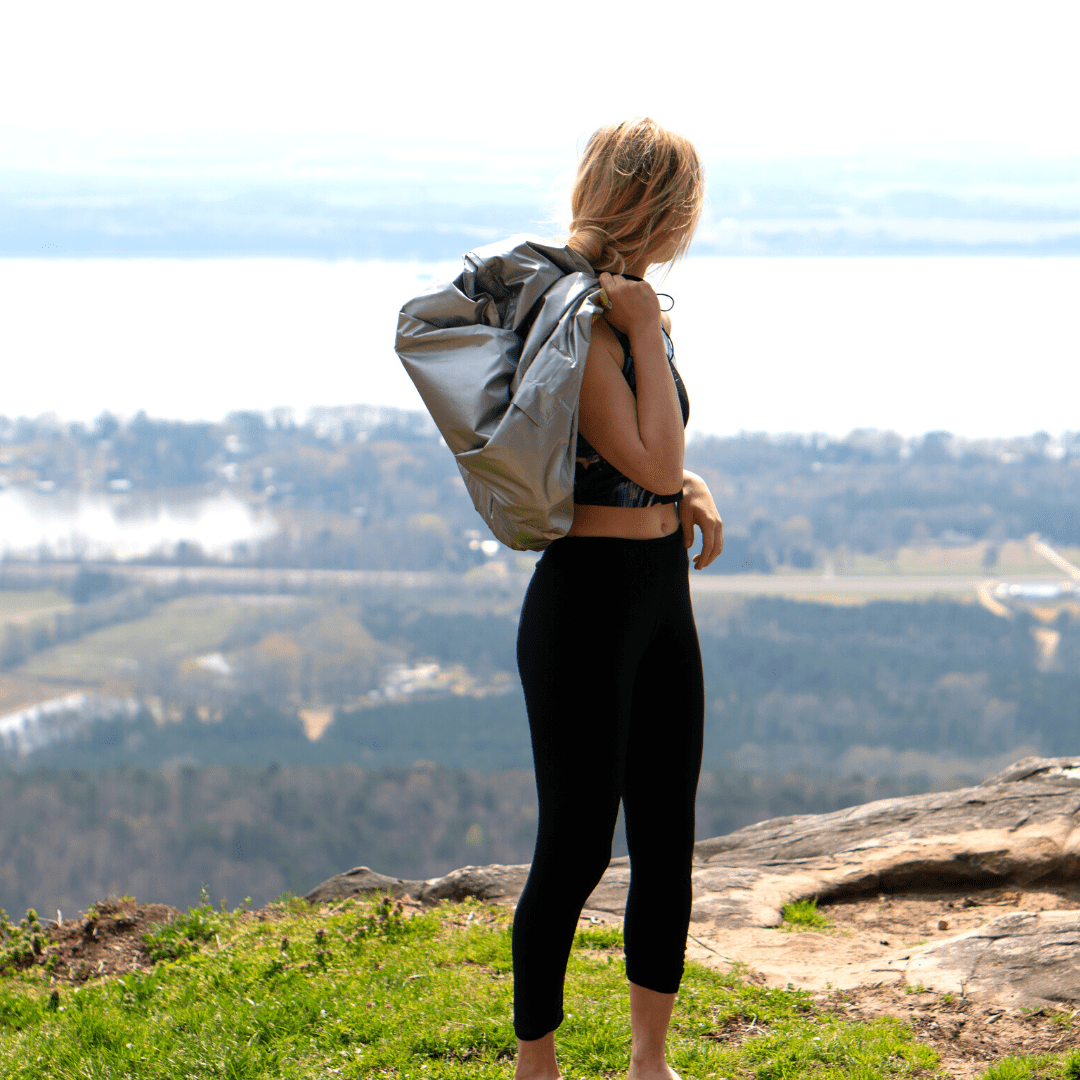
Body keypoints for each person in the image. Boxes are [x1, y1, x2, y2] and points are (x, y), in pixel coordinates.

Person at [512, 118, 724, 1080]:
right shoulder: (584, 315)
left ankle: (650, 1061)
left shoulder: (630, 309)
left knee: (667, 835)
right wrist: (641, 332)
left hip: (656, 592)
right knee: (578, 840)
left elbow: (652, 468)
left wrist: (690, 490)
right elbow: (645, 453)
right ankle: (536, 1061)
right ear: (665, 209)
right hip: (587, 605)